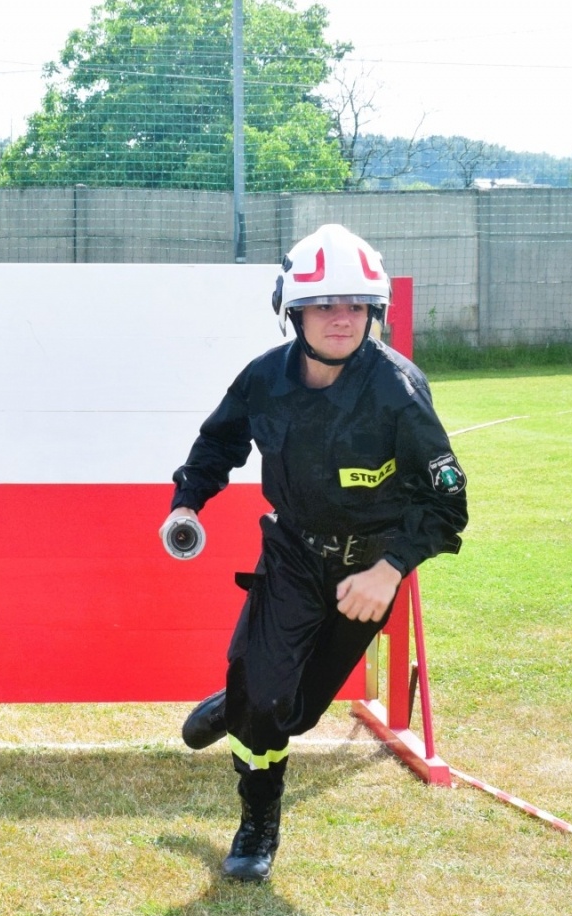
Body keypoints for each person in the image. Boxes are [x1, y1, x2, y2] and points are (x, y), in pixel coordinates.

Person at [162, 223, 468, 882]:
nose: (342, 316)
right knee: (267, 705)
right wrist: (188, 501)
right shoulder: (264, 380)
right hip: (293, 556)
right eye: (326, 302)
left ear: (374, 311)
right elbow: (220, 443)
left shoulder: (398, 391)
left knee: (294, 712)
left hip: (367, 573)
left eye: (357, 303)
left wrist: (387, 572)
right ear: (292, 309)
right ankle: (258, 822)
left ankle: (236, 700)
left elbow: (447, 506)